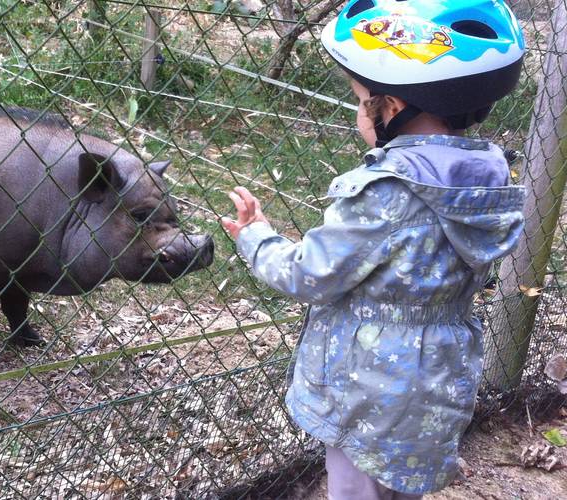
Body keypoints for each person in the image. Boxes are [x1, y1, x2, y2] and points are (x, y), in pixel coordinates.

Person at [221, 1, 528, 498]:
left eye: (361, 96)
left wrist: (256, 236)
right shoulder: (488, 183)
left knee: (356, 486)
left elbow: (308, 275)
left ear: (390, 107)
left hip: (366, 384)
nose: (358, 108)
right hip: (438, 379)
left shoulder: (384, 193)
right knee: (402, 483)